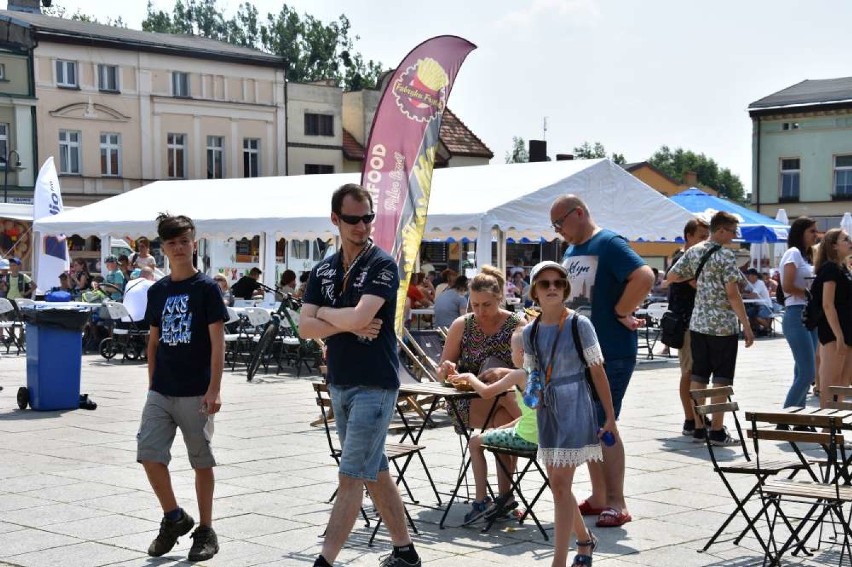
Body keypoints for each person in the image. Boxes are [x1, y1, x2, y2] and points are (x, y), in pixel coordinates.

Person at [300, 183, 420, 567]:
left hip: (375, 383)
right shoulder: (324, 269)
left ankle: (326, 561)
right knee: (374, 469)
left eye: (368, 218)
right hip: (340, 380)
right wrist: (346, 323)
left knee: (351, 474)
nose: (362, 226)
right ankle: (405, 551)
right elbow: (303, 328)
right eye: (353, 219)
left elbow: (360, 317)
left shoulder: (382, 264)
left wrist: (329, 317)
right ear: (336, 219)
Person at [552, 194, 653, 528]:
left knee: (604, 424)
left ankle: (617, 502)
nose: (558, 231)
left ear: (579, 212)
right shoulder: (571, 251)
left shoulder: (608, 242)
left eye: (560, 223)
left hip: (611, 351)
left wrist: (621, 310)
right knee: (590, 426)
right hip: (582, 353)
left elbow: (645, 276)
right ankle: (598, 497)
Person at [137, 213, 227, 562]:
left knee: (201, 461)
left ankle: (205, 530)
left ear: (194, 243)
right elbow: (154, 342)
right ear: (163, 248)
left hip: (197, 390)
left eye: (184, 241)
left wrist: (214, 389)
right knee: (148, 454)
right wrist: (151, 386)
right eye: (171, 242)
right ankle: (174, 517)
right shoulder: (158, 290)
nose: (178, 248)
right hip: (162, 390)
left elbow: (218, 343)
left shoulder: (206, 289)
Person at [527, 261, 617, 567]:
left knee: (561, 483)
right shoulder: (530, 331)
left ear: (565, 288)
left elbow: (598, 370)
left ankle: (558, 562)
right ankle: (584, 540)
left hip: (576, 404)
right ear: (534, 292)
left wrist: (610, 416)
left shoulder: (580, 324)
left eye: (557, 283)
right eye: (544, 283)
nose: (552, 287)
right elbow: (532, 372)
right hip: (547, 410)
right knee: (558, 484)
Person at [437, 265, 524, 521]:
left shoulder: (517, 324)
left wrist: (502, 373)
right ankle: (538, 427)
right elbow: (442, 373)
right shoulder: (462, 325)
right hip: (468, 401)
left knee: (500, 422)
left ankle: (501, 498)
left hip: (501, 399)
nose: (480, 311)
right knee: (506, 404)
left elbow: (531, 368)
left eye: (486, 305)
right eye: (474, 305)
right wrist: (448, 369)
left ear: (499, 298)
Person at [668, 211, 754, 445]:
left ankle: (698, 427)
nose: (735, 236)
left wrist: (699, 283)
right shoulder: (725, 255)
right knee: (722, 378)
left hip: (698, 323)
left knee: (699, 375)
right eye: (733, 231)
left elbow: (671, 275)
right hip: (722, 325)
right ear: (722, 231)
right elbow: (732, 294)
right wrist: (746, 325)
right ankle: (717, 430)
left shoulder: (694, 251)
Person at [451, 329, 533, 525]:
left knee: (474, 443)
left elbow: (487, 393)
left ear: (521, 353)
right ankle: (503, 498)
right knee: (490, 434)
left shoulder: (520, 374)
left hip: (526, 439)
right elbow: (532, 417)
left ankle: (481, 500)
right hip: (542, 439)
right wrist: (501, 428)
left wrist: (471, 378)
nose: (510, 355)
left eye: (512, 351)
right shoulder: (543, 373)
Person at [664, 218, 710, 436]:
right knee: (690, 373)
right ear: (688, 236)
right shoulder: (682, 258)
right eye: (702, 236)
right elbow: (700, 284)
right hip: (687, 323)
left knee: (695, 372)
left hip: (696, 322)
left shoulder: (691, 257)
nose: (705, 241)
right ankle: (691, 418)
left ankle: (696, 415)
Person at [778, 217, 820, 409]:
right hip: (796, 313)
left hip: (808, 315)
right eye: (811, 231)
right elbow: (787, 285)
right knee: (808, 372)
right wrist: (809, 293)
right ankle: (785, 417)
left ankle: (798, 417)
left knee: (801, 370)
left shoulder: (807, 256)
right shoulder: (793, 253)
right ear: (800, 233)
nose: (816, 234)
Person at [812, 228, 852, 408]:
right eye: (846, 239)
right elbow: (827, 305)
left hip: (847, 328)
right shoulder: (829, 268)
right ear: (834, 246)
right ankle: (827, 429)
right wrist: (839, 336)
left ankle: (834, 424)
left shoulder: (843, 268)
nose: (850, 241)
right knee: (831, 381)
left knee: (843, 382)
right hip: (834, 331)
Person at [743, 268, 774, 334]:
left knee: (758, 317)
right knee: (749, 314)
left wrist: (743, 295)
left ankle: (768, 328)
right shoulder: (750, 283)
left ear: (754, 276)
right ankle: (757, 329)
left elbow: (753, 295)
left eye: (749, 276)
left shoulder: (759, 283)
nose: (747, 278)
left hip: (766, 305)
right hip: (757, 305)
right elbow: (744, 290)